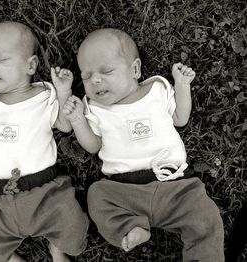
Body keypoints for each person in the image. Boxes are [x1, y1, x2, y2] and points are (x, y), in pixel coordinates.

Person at [63, 28, 224, 261]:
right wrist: (78, 120)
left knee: (205, 217)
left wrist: (181, 85)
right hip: (123, 191)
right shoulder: (96, 109)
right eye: (86, 76)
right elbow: (93, 146)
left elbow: (180, 117)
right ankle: (131, 228)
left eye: (106, 71)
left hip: (175, 187)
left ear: (135, 69)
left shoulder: (156, 90)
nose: (95, 80)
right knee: (97, 195)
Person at [0, 21, 89, 262]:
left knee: (72, 227)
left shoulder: (44, 95)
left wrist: (63, 91)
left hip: (45, 192)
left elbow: (64, 125)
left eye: (1, 59)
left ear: (30, 65)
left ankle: (59, 248)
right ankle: (10, 258)